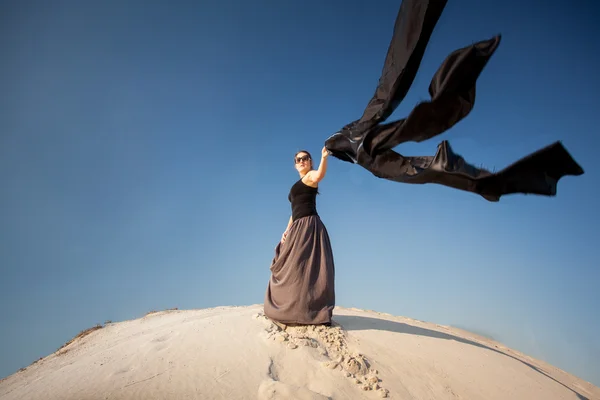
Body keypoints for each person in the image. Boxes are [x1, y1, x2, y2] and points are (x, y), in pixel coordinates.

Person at [263, 146, 335, 326]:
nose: (302, 161)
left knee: (303, 267)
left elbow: (319, 176)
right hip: (297, 225)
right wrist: (286, 230)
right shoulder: (299, 182)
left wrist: (324, 158)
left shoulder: (311, 176)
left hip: (309, 226)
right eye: (298, 160)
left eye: (305, 158)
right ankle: (290, 307)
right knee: (289, 265)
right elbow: (293, 211)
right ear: (295, 165)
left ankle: (306, 311)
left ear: (310, 162)